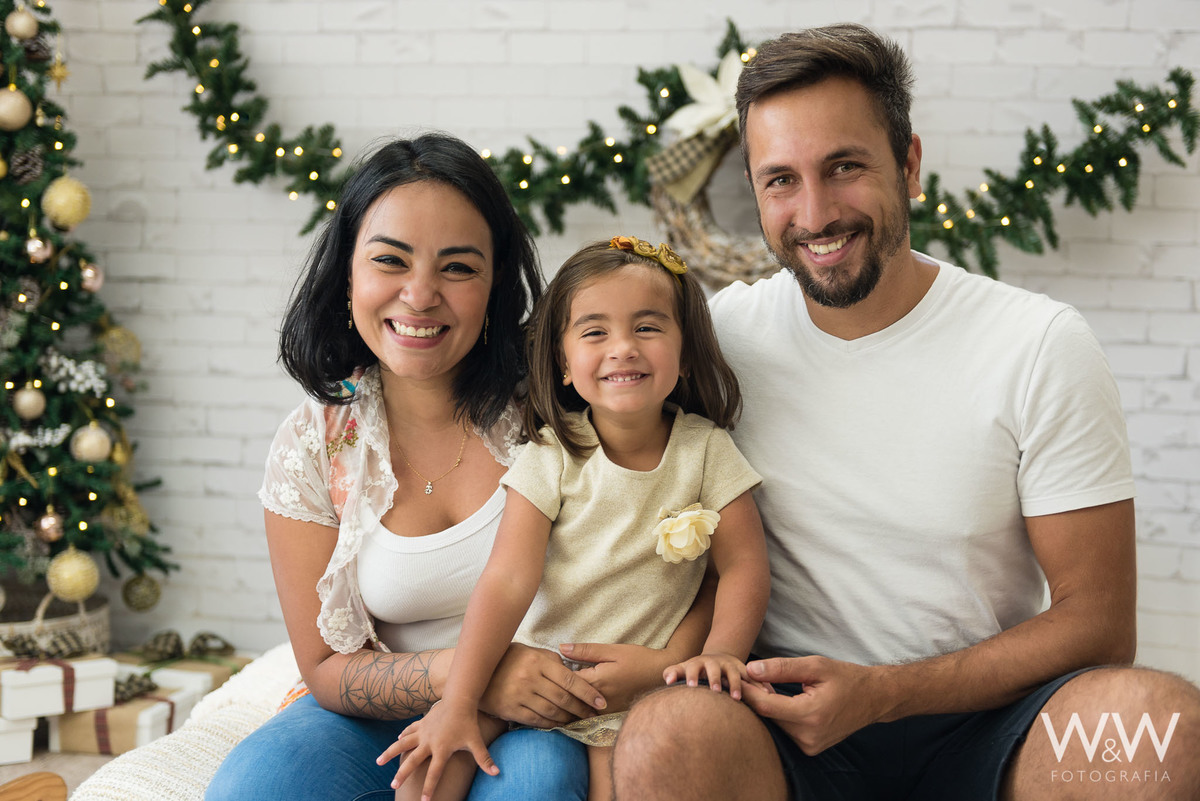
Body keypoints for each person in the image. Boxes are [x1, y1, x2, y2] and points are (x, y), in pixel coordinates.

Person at [613, 23, 1200, 801]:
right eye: (780, 180)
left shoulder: (1037, 343)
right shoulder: (722, 341)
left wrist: (884, 691)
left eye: (844, 167)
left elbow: (1099, 623)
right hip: (784, 724)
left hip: (991, 716)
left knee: (1162, 731)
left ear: (909, 164)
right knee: (664, 734)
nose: (815, 213)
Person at [206, 135, 718, 801]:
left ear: (497, 283)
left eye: (458, 268)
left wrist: (663, 662)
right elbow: (326, 666)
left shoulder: (562, 399)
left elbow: (699, 526)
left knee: (532, 785)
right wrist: (472, 674)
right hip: (389, 707)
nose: (419, 296)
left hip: (549, 710)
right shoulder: (315, 444)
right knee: (253, 788)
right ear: (348, 274)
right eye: (390, 260)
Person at [379, 237, 770, 801]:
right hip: (540, 680)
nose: (623, 349)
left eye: (648, 328)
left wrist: (722, 654)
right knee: (426, 768)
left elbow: (742, 567)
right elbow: (507, 579)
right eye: (595, 332)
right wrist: (459, 701)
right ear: (564, 364)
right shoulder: (552, 454)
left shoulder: (705, 450)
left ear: (684, 353)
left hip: (640, 693)